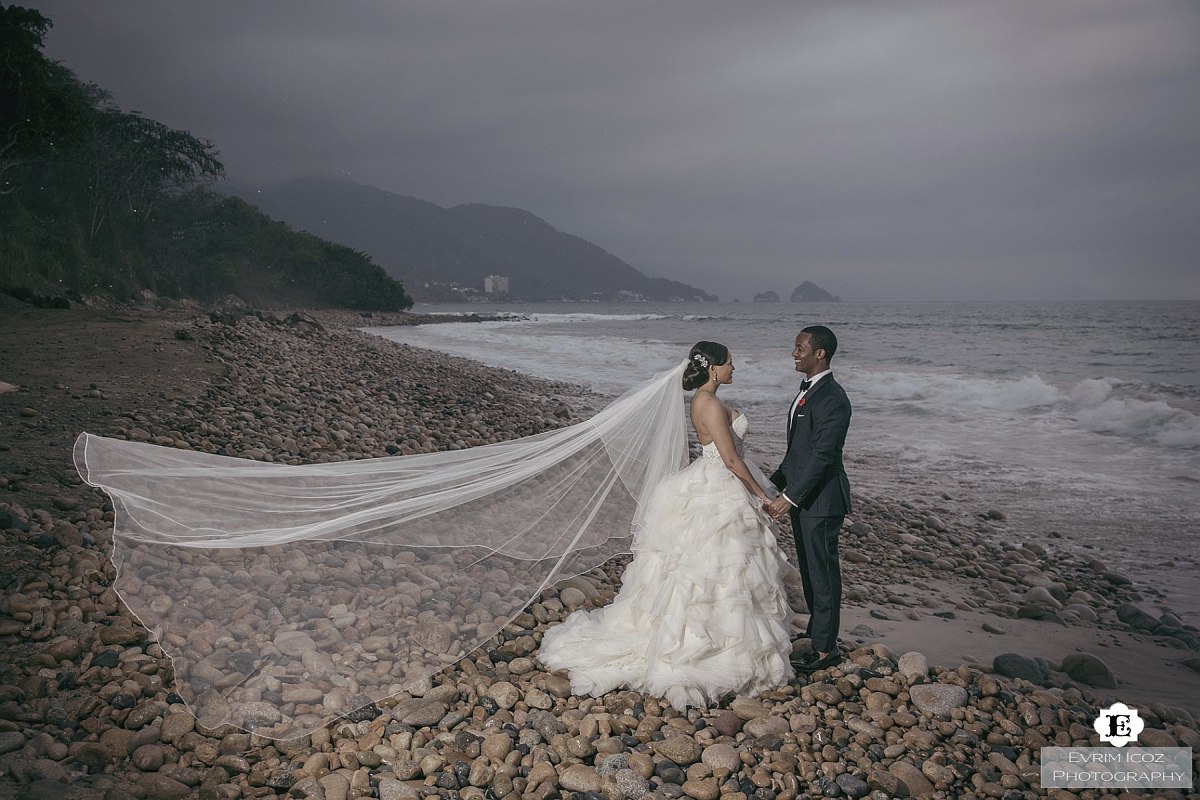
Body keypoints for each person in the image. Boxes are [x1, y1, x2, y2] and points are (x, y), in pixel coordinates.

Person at [537, 341, 797, 711]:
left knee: (718, 570)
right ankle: (706, 650)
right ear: (713, 369)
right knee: (716, 569)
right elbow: (730, 460)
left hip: (709, 482)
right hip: (719, 486)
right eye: (730, 364)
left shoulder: (705, 400)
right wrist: (762, 496)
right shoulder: (709, 403)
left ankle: (727, 642)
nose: (734, 369)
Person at [765, 326, 852, 673]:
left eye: (800, 348)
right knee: (813, 574)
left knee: (824, 575)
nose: (794, 353)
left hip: (823, 502)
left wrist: (790, 497)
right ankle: (818, 639)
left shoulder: (833, 398)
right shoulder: (805, 393)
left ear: (820, 354)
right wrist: (770, 486)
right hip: (805, 501)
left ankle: (826, 650)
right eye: (794, 347)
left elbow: (822, 456)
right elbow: (796, 455)